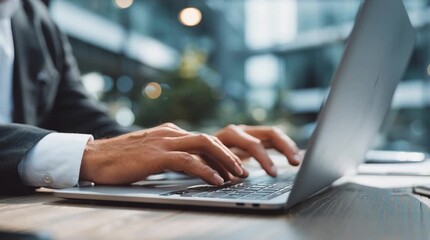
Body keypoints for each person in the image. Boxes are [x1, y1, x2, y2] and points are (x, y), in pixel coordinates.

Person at [0, 0, 301, 195]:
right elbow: (98, 151)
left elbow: (88, 121)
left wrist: (189, 147)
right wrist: (87, 155)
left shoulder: (36, 19)